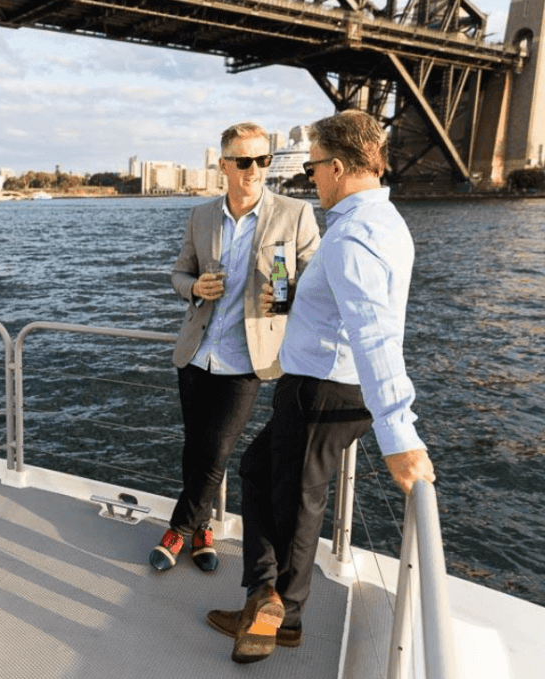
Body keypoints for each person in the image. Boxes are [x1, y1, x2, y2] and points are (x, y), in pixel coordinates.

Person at [205, 110, 437, 664]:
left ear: (337, 166)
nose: (310, 179)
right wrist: (286, 302)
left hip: (322, 392)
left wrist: (399, 435)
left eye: (312, 169)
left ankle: (279, 617)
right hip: (330, 386)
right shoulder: (382, 221)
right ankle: (267, 598)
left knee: (297, 506)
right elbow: (346, 310)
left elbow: (373, 331)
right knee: (262, 474)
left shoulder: (354, 234)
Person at [150, 122, 320, 573]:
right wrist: (194, 288)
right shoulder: (201, 216)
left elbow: (319, 285)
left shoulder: (295, 214)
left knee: (217, 449)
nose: (254, 170)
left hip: (248, 359)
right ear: (223, 165)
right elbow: (178, 274)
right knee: (197, 448)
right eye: (243, 161)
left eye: (262, 160)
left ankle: (177, 531)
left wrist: (287, 297)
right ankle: (204, 528)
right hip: (197, 352)